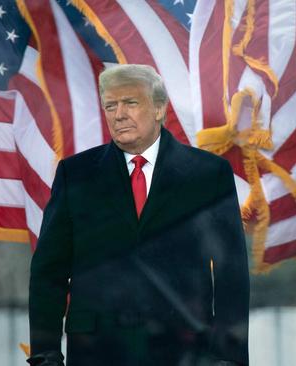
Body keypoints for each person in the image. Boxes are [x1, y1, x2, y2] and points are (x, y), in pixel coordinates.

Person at [28, 64, 249, 366]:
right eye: (110, 105)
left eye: (130, 103)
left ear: (159, 109)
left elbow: (231, 275)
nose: (118, 114)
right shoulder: (75, 174)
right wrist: (45, 355)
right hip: (95, 352)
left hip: (183, 351)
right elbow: (48, 273)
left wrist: (229, 359)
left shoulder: (208, 174)